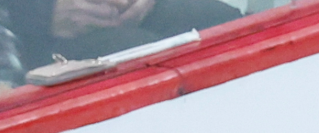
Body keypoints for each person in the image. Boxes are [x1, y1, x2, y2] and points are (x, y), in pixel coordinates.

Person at [5, 0, 238, 72]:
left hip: (127, 13)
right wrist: (39, 14)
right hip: (24, 37)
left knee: (227, 26)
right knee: (142, 60)